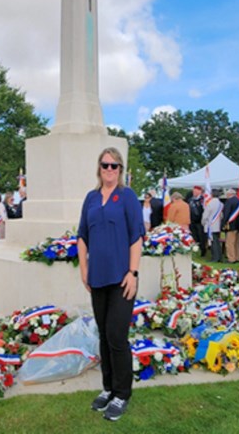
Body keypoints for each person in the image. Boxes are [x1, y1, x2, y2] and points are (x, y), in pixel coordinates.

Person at [77, 147, 144, 422]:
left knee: (117, 337)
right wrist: (83, 269)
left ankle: (122, 393)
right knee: (104, 336)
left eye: (114, 165)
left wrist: (133, 273)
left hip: (121, 279)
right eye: (105, 165)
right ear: (99, 168)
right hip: (97, 278)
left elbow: (136, 236)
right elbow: (82, 236)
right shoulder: (91, 198)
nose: (109, 170)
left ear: (121, 169)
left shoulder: (127, 197)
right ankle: (108, 388)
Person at [202, 188, 223, 262]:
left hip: (210, 225)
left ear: (211, 195)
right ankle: (219, 256)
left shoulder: (210, 203)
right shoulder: (221, 204)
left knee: (213, 242)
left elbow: (205, 215)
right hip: (217, 225)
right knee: (217, 242)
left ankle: (215, 258)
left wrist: (203, 222)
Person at [222, 188, 239, 263]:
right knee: (236, 243)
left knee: (230, 243)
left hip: (231, 225)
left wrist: (223, 223)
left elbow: (226, 214)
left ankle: (231, 258)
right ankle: (237, 257)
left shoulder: (229, 202)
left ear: (230, 194)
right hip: (238, 225)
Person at [186, 185, 207, 257]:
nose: (194, 192)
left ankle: (203, 250)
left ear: (199, 191)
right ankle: (196, 250)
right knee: (194, 236)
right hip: (192, 221)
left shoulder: (203, 200)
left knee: (201, 237)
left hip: (200, 222)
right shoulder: (190, 200)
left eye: (195, 191)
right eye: (193, 191)